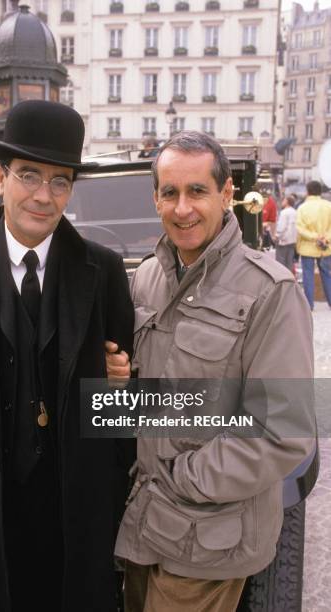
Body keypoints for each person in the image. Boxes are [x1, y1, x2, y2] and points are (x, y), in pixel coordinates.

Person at [0, 100, 135, 611]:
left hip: (74, 519)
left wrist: (120, 391)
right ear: (1, 176)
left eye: (60, 181)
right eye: (30, 175)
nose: (44, 196)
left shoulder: (103, 272)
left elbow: (131, 393)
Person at [114, 131, 314, 612]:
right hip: (142, 526)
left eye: (197, 191)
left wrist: (185, 480)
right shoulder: (147, 277)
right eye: (170, 192)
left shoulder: (271, 292)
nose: (183, 208)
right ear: (155, 199)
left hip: (207, 540)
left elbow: (284, 429)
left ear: (226, 196)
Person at [296, 180, 331, 310]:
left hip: (307, 247)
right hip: (326, 247)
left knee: (308, 275)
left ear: (307, 191)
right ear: (321, 192)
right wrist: (325, 238)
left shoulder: (302, 207)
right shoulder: (328, 206)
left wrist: (314, 237)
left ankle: (309, 305)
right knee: (327, 274)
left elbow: (300, 228)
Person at [275, 194, 297, 272]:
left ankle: (281, 281)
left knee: (281, 263)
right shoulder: (295, 212)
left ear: (287, 202)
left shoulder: (284, 212)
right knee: (289, 262)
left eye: (284, 200)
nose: (282, 202)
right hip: (292, 241)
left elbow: (281, 227)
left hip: (283, 241)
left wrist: (277, 235)